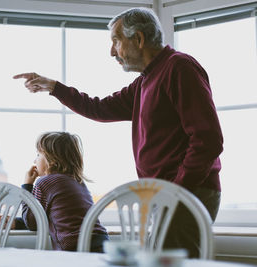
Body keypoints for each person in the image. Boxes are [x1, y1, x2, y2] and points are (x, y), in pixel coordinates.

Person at [13, 7, 223, 258]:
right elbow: (98, 108)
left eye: (116, 41)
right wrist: (54, 87)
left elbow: (208, 139)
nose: (112, 52)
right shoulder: (145, 81)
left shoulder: (179, 68)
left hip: (186, 192)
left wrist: (178, 190)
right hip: (168, 195)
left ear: (139, 39)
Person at [14, 131, 109, 252]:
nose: (34, 160)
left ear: (52, 160)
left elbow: (33, 222)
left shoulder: (45, 182)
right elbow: (55, 217)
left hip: (75, 246)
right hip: (100, 240)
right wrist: (17, 223)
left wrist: (27, 186)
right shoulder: (78, 181)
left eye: (38, 155)